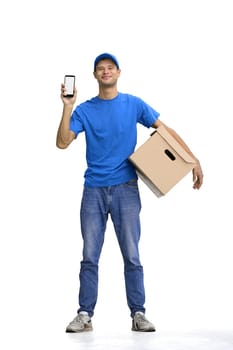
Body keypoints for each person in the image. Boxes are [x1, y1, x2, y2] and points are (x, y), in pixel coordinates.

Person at [56, 53, 203, 333]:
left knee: (132, 255)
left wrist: (192, 159)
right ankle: (85, 314)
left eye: (110, 67)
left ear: (119, 73)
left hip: (126, 188)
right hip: (93, 191)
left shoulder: (133, 104)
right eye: (100, 69)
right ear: (95, 76)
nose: (106, 71)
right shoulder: (84, 110)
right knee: (89, 255)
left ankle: (138, 313)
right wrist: (67, 106)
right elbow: (62, 143)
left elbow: (166, 130)